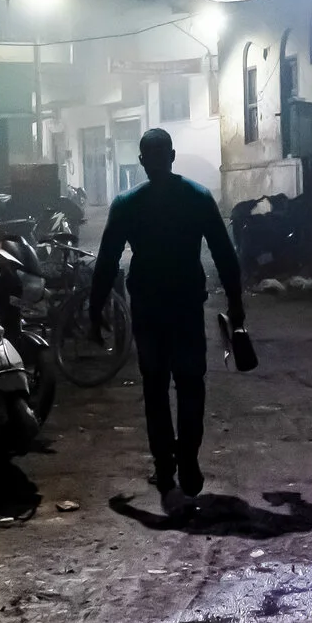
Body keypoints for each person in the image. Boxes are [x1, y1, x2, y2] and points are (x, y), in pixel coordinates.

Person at [89, 127, 243, 494]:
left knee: (155, 388)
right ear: (172, 157)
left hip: (148, 308)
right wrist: (236, 304)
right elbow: (225, 254)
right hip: (186, 305)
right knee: (191, 384)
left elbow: (107, 261)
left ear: (141, 161)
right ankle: (188, 459)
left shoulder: (127, 204)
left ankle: (165, 465)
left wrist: (95, 311)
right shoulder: (198, 197)